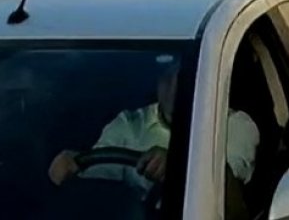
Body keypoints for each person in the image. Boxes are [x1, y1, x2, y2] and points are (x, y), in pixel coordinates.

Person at [48, 61, 259, 194]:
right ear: (157, 82)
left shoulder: (235, 125)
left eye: (186, 78)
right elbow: (97, 181)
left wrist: (179, 166)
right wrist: (72, 167)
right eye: (168, 77)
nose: (176, 88)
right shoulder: (129, 125)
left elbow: (228, 197)